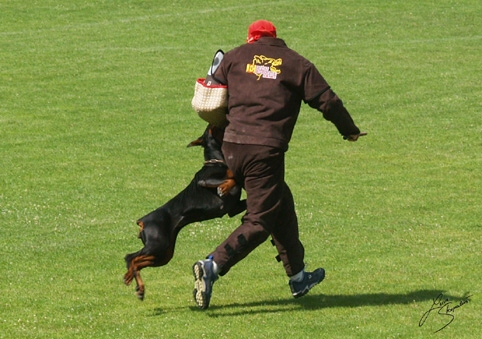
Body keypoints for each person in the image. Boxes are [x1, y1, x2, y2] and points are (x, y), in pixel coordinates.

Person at [192, 20, 363, 309]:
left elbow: (211, 92)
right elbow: (327, 101)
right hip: (264, 152)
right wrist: (348, 129)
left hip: (232, 146)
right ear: (275, 37)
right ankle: (212, 265)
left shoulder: (235, 56)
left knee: (280, 201)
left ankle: (298, 277)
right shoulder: (296, 63)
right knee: (260, 220)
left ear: (251, 39)